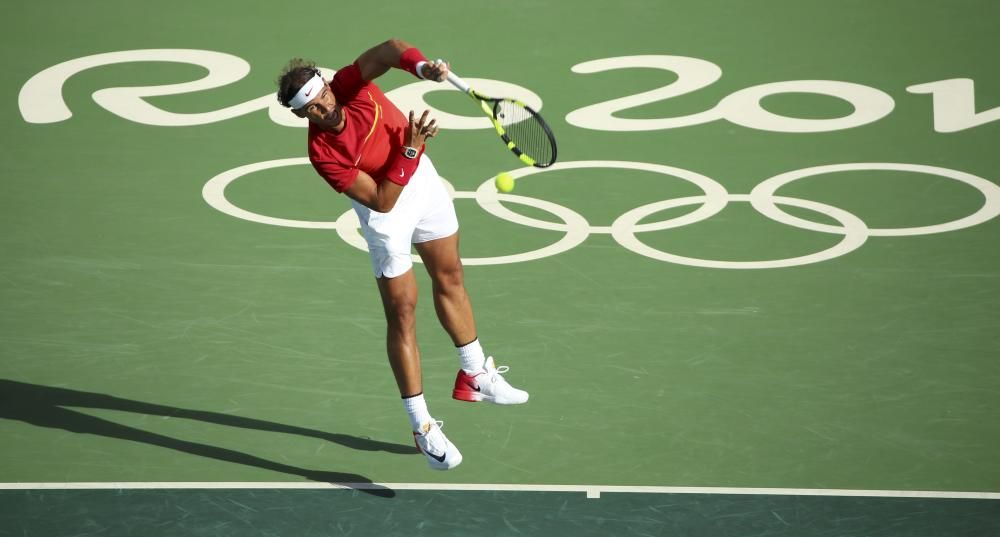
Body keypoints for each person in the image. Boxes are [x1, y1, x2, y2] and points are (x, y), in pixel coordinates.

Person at [276, 39, 528, 470]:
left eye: (323, 97)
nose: (324, 109)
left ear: (329, 87)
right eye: (312, 109)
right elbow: (381, 199)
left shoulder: (351, 84)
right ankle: (423, 428)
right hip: (386, 214)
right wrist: (410, 148)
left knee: (450, 274)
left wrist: (422, 68)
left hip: (423, 184)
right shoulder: (322, 153)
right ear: (301, 115)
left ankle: (475, 373)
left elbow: (390, 50)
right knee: (403, 312)